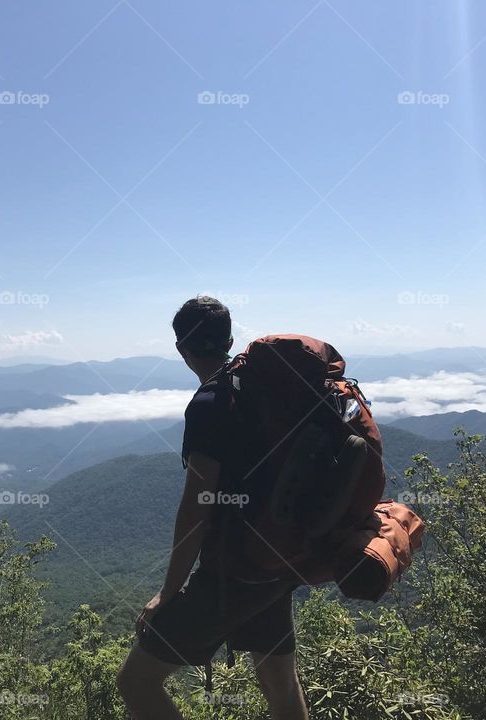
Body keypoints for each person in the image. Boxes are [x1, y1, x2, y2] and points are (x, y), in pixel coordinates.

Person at [117, 295, 309, 720]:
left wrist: (168, 592)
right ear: (229, 341)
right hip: (279, 563)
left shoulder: (208, 406)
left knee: (135, 682)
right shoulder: (259, 390)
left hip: (234, 572)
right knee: (279, 681)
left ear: (181, 348)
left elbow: (197, 508)